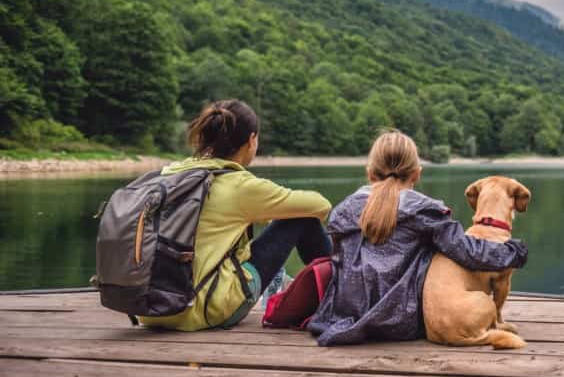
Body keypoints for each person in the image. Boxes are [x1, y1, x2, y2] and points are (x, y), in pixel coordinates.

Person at [308, 130, 528, 346]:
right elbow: (468, 252)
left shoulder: (342, 212)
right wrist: (514, 252)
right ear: (416, 174)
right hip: (403, 322)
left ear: (370, 173)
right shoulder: (425, 212)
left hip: (346, 317)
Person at [141, 99, 331, 331]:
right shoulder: (239, 185)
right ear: (252, 140)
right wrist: (274, 214)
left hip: (150, 310)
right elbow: (320, 205)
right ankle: (342, 293)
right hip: (207, 309)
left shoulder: (172, 174)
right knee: (303, 217)